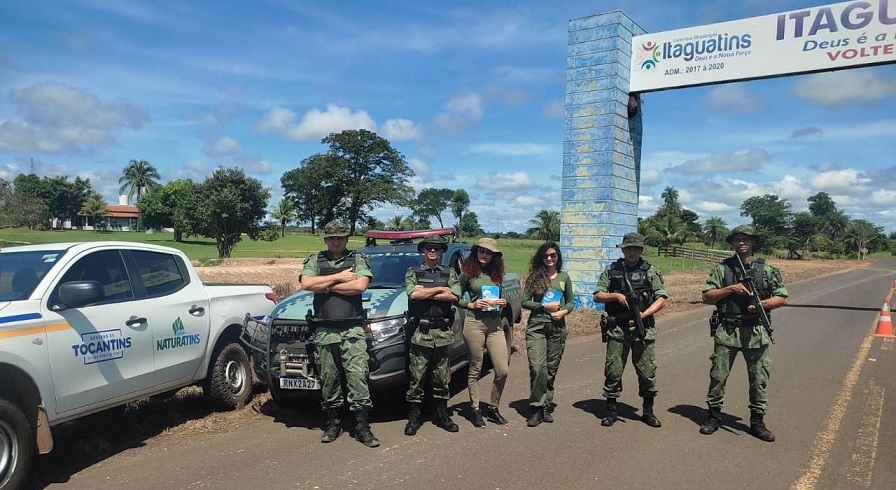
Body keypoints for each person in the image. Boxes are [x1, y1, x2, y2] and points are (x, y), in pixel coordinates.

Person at [698, 225, 788, 442]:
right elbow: (707, 296)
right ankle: (713, 417)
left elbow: (783, 297)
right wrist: (731, 289)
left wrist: (763, 305)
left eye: (745, 239)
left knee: (759, 378)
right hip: (728, 330)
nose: (741, 243)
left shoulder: (767, 270)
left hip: (756, 331)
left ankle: (757, 422)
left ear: (753, 243)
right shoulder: (723, 269)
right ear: (732, 243)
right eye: (737, 239)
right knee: (718, 376)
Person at [300, 221, 379, 448]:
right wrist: (338, 278)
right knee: (329, 379)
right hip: (325, 329)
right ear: (326, 240)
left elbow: (359, 287)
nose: (336, 241)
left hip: (352, 329)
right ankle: (333, 423)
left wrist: (323, 285)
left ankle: (362, 427)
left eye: (340, 237)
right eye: (332, 238)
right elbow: (306, 283)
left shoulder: (358, 259)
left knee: (358, 378)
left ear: (346, 239)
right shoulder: (316, 260)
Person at [592, 232, 668, 428]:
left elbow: (662, 298)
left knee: (647, 371)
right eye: (628, 248)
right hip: (617, 328)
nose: (632, 251)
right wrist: (615, 296)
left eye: (636, 248)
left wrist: (643, 315)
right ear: (623, 249)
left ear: (641, 250)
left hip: (643, 328)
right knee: (613, 370)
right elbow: (597, 295)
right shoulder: (612, 270)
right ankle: (611, 410)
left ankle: (648, 411)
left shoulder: (651, 271)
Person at [403, 234, 462, 436]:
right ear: (423, 250)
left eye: (437, 248)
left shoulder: (450, 272)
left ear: (441, 251)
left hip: (442, 332)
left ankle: (442, 415)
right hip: (420, 333)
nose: (433, 251)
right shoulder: (414, 272)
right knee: (417, 378)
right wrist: (440, 289)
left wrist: (427, 290)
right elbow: (413, 294)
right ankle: (414, 417)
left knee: (442, 378)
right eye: (429, 248)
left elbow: (455, 295)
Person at [521, 242, 574, 427]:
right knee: (537, 367)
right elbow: (524, 302)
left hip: (557, 328)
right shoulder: (535, 278)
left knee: (551, 369)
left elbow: (570, 302)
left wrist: (563, 312)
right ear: (540, 258)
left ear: (558, 257)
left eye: (553, 255)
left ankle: (545, 406)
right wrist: (543, 306)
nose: (549, 258)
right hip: (537, 327)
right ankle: (535, 408)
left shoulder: (564, 277)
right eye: (545, 256)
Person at [457, 237, 509, 428]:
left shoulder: (497, 275)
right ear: (475, 252)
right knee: (475, 368)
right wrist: (471, 304)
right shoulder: (467, 273)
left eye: (488, 252)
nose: (484, 255)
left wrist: (503, 302)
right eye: (481, 251)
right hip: (474, 323)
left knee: (502, 370)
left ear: (494, 256)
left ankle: (493, 408)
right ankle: (476, 409)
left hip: (495, 325)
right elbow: (455, 296)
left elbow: (499, 296)